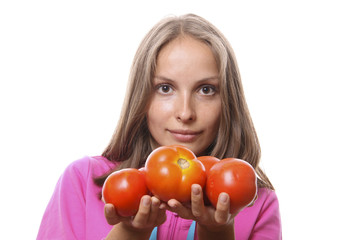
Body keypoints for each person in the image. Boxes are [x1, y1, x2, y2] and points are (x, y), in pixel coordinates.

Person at [37, 13, 281, 240]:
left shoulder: (256, 202)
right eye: (165, 88)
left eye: (206, 90)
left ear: (228, 101)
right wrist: (130, 232)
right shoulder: (84, 181)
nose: (185, 113)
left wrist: (218, 231)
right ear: (141, 97)